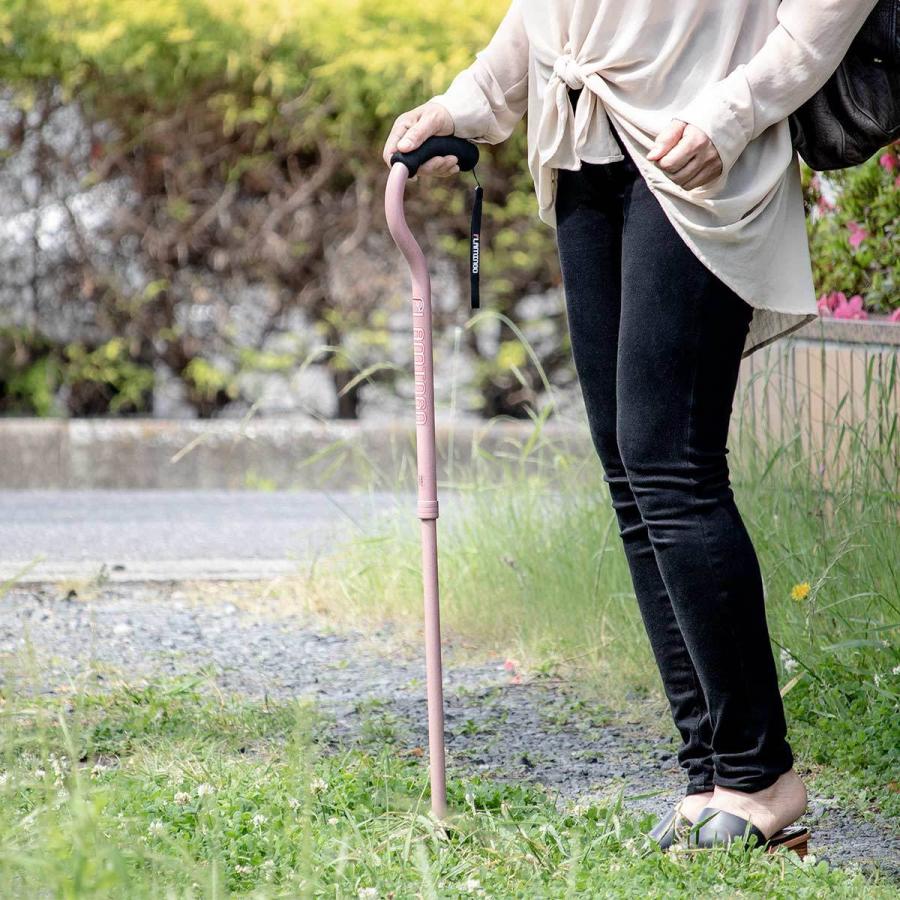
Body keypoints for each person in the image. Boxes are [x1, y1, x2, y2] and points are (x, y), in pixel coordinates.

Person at [382, 0, 880, 851]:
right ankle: (710, 772)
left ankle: (761, 775)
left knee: (670, 462)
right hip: (584, 141)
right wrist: (469, 101)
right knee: (630, 465)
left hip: (699, 147)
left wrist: (737, 109)